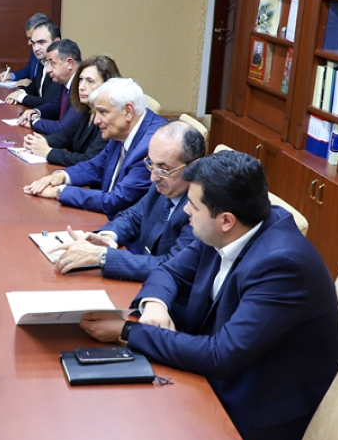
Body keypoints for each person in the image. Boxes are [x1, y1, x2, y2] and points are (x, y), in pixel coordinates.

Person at [77, 151, 338, 440]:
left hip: (257, 418)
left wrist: (126, 330)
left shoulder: (282, 265)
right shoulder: (230, 226)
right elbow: (169, 271)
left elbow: (221, 355)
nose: (185, 211)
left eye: (193, 205)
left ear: (226, 220)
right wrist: (155, 304)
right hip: (215, 379)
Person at [49, 121, 206, 280]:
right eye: (151, 164)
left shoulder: (201, 209)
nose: (153, 177)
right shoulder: (164, 183)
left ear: (194, 166)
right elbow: (133, 216)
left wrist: (102, 256)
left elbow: (171, 266)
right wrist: (108, 236)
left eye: (163, 169)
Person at [24, 78, 167, 220]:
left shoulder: (152, 145)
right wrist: (60, 176)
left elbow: (116, 200)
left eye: (103, 112)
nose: (96, 120)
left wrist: (59, 192)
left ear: (128, 111)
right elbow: (95, 166)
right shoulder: (122, 130)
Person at [21, 55, 120, 166]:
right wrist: (38, 142)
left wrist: (48, 152)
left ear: (107, 85)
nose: (81, 87)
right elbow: (66, 136)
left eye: (90, 81)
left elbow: (90, 160)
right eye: (81, 80)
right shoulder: (86, 111)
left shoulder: (109, 120)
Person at [16, 40, 84, 135]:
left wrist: (34, 122)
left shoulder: (82, 87)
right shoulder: (66, 81)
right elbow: (55, 105)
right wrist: (36, 112)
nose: (48, 70)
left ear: (69, 63)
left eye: (52, 63)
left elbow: (63, 128)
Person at [4, 21, 63, 113]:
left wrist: (21, 97)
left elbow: (48, 102)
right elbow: (34, 86)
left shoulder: (61, 66)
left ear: (56, 42)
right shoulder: (42, 61)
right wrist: (20, 92)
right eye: (33, 43)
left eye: (41, 42)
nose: (35, 48)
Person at [0, 12, 51, 85]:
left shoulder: (57, 60)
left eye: (31, 38)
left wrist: (32, 85)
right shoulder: (35, 51)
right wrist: (12, 75)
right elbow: (28, 70)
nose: (29, 43)